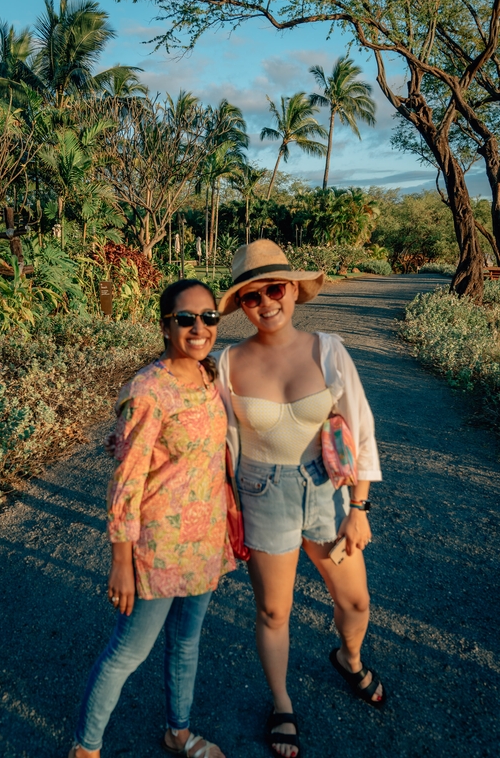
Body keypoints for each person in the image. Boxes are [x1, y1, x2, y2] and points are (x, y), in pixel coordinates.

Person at [215, 240, 385, 758]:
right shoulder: (228, 362)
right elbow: (212, 435)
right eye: (251, 296)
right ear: (241, 305)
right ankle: (282, 703)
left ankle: (349, 658)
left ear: (293, 289)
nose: (266, 303)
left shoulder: (327, 348)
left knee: (355, 601)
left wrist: (358, 508)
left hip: (325, 492)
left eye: (275, 288)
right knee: (273, 612)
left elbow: (361, 426)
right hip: (261, 492)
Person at [69, 279, 235, 758]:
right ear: (166, 326)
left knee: (187, 643)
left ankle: (178, 733)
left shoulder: (212, 377)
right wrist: (121, 560)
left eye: (208, 317)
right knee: (128, 652)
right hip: (157, 548)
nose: (199, 327)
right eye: (186, 318)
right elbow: (126, 479)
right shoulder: (148, 391)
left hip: (204, 541)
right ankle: (86, 748)